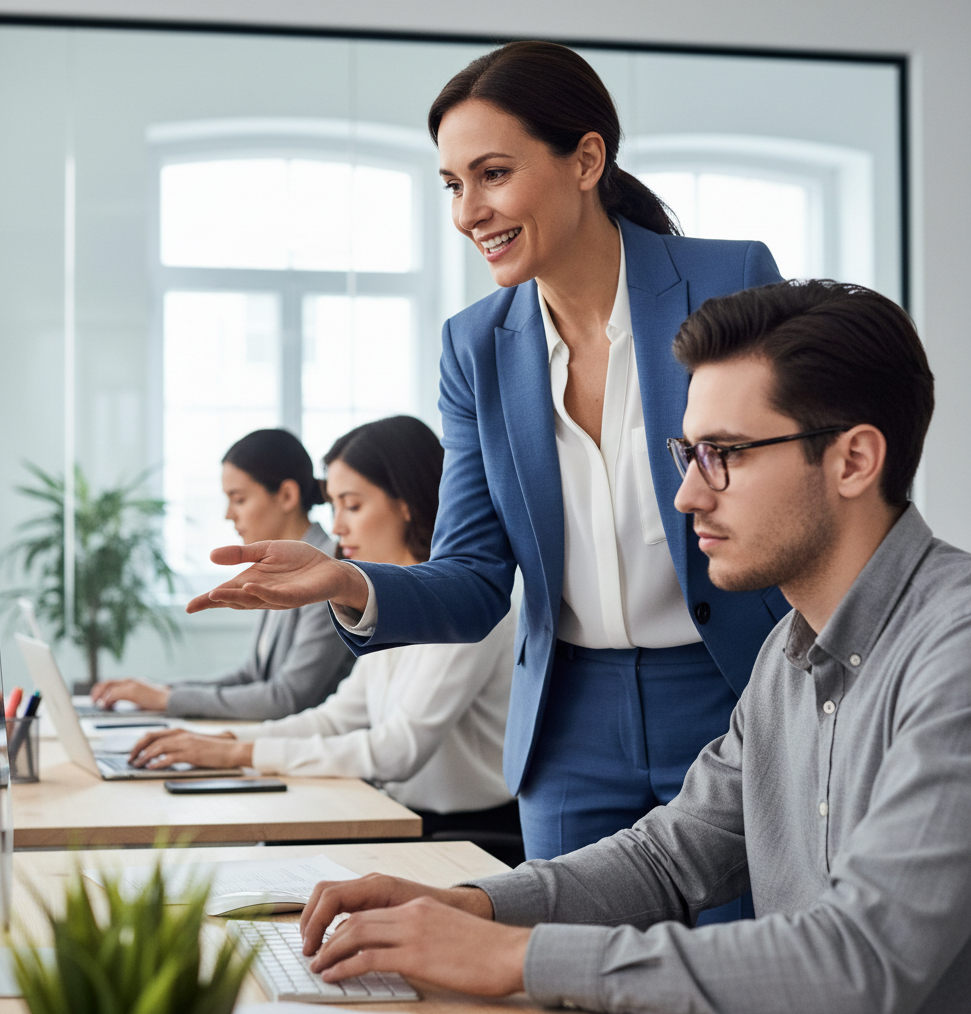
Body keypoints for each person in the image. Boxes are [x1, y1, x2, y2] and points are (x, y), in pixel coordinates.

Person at [184, 42, 788, 887]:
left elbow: (795, 491)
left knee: (734, 974)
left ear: (586, 159)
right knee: (562, 980)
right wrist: (343, 582)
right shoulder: (476, 347)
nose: (469, 211)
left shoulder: (727, 283)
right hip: (571, 724)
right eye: (452, 185)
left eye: (493, 173)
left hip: (729, 696)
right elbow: (472, 578)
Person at [291, 280, 970, 1014]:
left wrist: (516, 956)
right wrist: (471, 908)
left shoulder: (952, 651)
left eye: (726, 454)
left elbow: (862, 960)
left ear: (853, 460)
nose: (685, 496)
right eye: (689, 451)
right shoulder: (785, 656)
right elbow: (665, 859)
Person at [132, 416, 520, 847]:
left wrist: (241, 753)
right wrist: (226, 739)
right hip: (398, 813)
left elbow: (398, 749)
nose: (336, 527)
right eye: (334, 506)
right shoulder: (392, 595)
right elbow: (339, 717)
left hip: (465, 834)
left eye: (352, 506)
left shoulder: (471, 604)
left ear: (407, 502)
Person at [91, 429, 354, 720]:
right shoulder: (279, 564)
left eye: (238, 499)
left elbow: (285, 697)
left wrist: (168, 699)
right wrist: (159, 691)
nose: (228, 515)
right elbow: (252, 674)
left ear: (287, 495)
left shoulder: (327, 570)